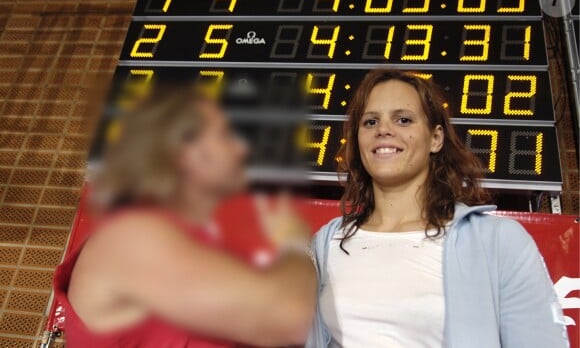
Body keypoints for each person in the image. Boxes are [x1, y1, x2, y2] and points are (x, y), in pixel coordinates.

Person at [306, 69, 569, 348]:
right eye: (370, 122)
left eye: (403, 119)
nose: (383, 129)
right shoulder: (326, 243)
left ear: (436, 138)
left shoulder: (498, 242)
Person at [53, 85, 317, 347]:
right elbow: (288, 320)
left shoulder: (189, 240)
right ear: (182, 154)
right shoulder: (132, 238)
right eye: (225, 136)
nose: (241, 150)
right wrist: (293, 242)